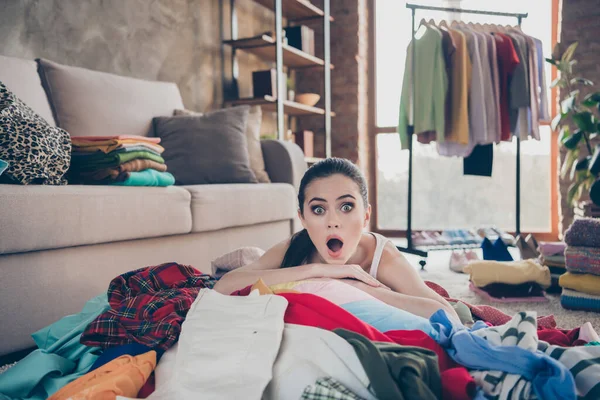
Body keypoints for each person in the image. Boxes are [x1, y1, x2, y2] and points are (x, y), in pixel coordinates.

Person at [214, 157, 459, 321]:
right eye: (319, 210)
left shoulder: (382, 257)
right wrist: (316, 271)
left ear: (365, 216)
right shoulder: (297, 246)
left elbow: (447, 315)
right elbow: (223, 286)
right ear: (303, 218)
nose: (333, 221)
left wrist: (358, 288)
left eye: (346, 207)